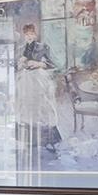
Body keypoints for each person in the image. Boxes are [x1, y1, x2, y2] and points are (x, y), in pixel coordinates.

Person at [13, 22, 62, 154]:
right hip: (25, 82)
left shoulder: (43, 47)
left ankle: (48, 141)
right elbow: (15, 66)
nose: (29, 36)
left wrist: (38, 63)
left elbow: (52, 64)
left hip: (39, 80)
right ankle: (28, 141)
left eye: (31, 34)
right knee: (26, 111)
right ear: (24, 35)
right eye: (27, 34)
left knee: (43, 110)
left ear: (35, 34)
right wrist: (20, 64)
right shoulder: (21, 48)